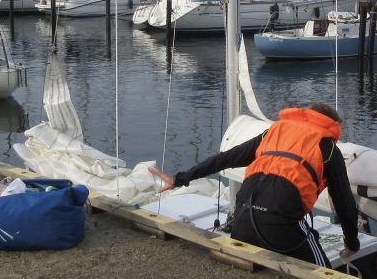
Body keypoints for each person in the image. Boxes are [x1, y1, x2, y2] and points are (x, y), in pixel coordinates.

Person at [148, 103, 360, 267]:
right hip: (281, 222)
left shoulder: (273, 133)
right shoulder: (328, 148)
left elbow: (224, 159)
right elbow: (345, 205)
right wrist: (352, 243)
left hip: (242, 218)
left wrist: (178, 179)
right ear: (332, 124)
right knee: (325, 275)